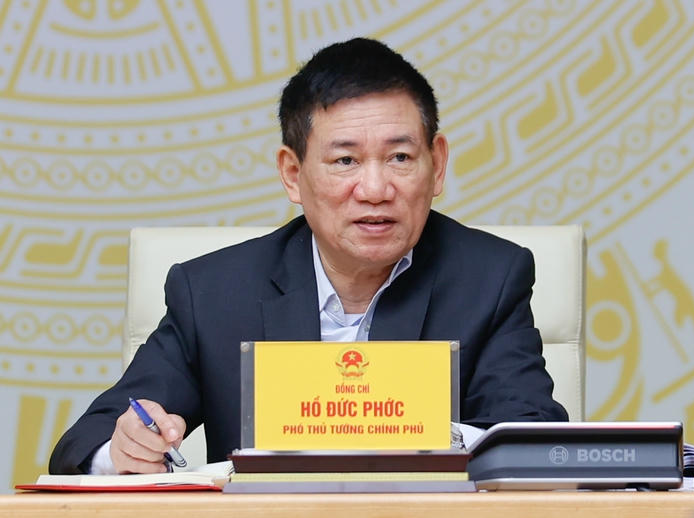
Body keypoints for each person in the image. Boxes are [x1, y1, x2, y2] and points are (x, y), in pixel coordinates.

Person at [49, 37, 567, 475]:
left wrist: (410, 432)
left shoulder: (491, 277)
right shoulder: (212, 293)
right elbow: (84, 443)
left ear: (437, 164)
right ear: (293, 175)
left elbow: (534, 443)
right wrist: (124, 450)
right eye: (345, 160)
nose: (375, 189)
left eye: (400, 157)